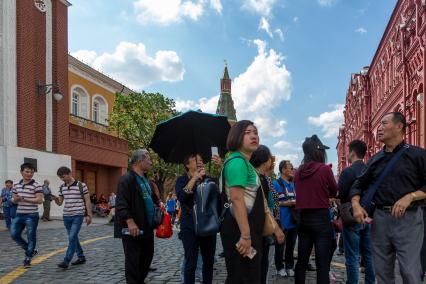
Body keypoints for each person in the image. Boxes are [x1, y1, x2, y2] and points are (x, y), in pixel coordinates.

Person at [350, 112, 426, 284]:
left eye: (384, 123)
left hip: (409, 218)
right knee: (382, 273)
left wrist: (411, 196)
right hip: (380, 219)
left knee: (409, 271)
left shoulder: (418, 155)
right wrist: (356, 204)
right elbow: (358, 184)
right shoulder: (376, 159)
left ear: (399, 127)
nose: (379, 128)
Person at [220, 120, 265, 283]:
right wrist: (246, 237)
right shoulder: (238, 162)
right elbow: (237, 199)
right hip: (240, 230)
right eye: (248, 133)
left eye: (255, 132)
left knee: (243, 274)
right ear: (237, 136)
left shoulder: (245, 162)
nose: (254, 136)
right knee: (244, 276)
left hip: (244, 228)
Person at [294, 135, 338, 284]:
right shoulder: (325, 169)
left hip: (303, 218)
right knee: (322, 264)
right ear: (318, 151)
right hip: (321, 218)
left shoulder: (298, 172)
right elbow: (334, 191)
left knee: (301, 261)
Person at [114, 149, 160, 284]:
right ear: (140, 160)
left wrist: (158, 205)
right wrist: (130, 221)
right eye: (149, 159)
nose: (151, 162)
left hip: (147, 228)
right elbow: (121, 204)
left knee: (147, 259)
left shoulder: (145, 180)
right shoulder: (127, 179)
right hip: (133, 229)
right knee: (133, 262)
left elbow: (150, 200)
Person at [176, 153, 220, 284]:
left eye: (201, 160)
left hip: (208, 225)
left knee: (208, 261)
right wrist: (194, 178)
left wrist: (219, 168)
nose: (200, 162)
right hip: (189, 226)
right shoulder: (182, 180)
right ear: (187, 165)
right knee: (191, 262)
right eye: (195, 160)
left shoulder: (209, 180)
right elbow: (182, 197)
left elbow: (221, 194)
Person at [338, 139, 375, 284]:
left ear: (352, 153)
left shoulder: (348, 171)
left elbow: (341, 194)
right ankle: (370, 282)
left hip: (353, 216)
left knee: (352, 256)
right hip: (369, 216)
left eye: (348, 151)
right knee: (369, 255)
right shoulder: (370, 169)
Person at [250, 145, 285, 284]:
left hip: (259, 230)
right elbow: (265, 206)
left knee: (260, 265)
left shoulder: (260, 177)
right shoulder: (258, 179)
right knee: (258, 266)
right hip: (257, 230)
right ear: (265, 161)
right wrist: (276, 228)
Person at [10, 163, 44, 268]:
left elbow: (39, 200)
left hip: (31, 215)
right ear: (21, 172)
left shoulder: (37, 185)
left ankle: (27, 259)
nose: (29, 174)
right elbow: (13, 200)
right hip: (19, 214)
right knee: (14, 235)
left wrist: (24, 199)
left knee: (31, 237)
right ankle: (31, 250)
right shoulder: (16, 184)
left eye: (32, 172)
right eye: (27, 171)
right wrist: (15, 199)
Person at [273, 160, 298, 277]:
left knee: (291, 246)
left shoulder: (293, 185)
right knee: (280, 246)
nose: (292, 170)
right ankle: (279, 267)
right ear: (283, 170)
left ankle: (289, 266)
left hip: (293, 220)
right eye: (290, 167)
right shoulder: (275, 183)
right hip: (282, 220)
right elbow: (272, 202)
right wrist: (285, 203)